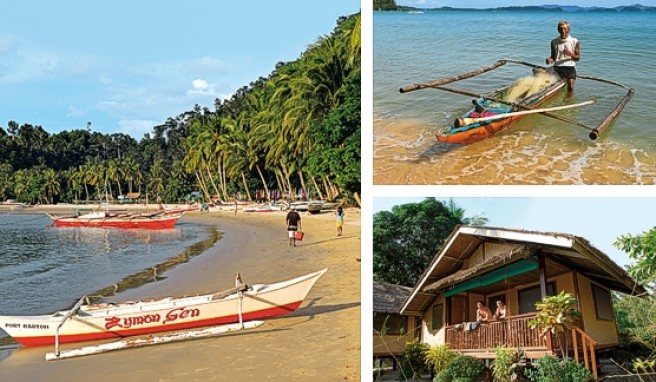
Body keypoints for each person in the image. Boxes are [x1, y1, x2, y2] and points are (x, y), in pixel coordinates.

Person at [546, 20, 580, 96]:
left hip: (570, 67)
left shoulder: (575, 41)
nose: (563, 31)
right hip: (557, 67)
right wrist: (549, 60)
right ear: (558, 30)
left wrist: (570, 53)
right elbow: (553, 57)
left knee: (570, 86)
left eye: (565, 28)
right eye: (561, 29)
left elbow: (577, 58)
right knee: (546, 82)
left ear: (569, 29)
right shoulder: (554, 42)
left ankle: (569, 102)